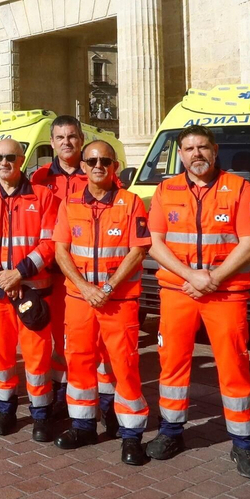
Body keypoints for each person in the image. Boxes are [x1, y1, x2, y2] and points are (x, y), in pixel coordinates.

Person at [147, 125, 250, 479]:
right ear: (180, 155)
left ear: (215, 151)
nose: (196, 154)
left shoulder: (240, 188)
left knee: (233, 366)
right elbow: (154, 243)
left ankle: (244, 446)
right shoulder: (165, 190)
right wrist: (191, 276)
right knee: (172, 366)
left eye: (202, 147)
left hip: (225, 293)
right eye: (188, 148)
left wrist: (211, 278)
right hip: (178, 292)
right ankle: (170, 433)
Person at [52, 140, 151, 459]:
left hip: (118, 300)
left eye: (105, 161)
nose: (98, 166)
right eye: (92, 160)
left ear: (115, 167)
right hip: (79, 300)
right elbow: (60, 250)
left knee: (124, 364)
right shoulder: (68, 205)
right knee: (79, 360)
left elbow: (138, 251)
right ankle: (82, 426)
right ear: (83, 167)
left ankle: (131, 432)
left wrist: (106, 288)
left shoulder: (131, 202)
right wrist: (85, 288)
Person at [0, 136, 60, 441]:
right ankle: (5, 411)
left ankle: (41, 415)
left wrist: (19, 273)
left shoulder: (43, 196)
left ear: (22, 160)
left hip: (33, 290)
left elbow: (50, 243)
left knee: (38, 357)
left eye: (10, 157)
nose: (3, 162)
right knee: (1, 356)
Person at [30, 115, 88, 410]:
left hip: (84, 272)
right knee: (53, 334)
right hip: (49, 272)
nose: (67, 142)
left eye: (72, 136)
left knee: (79, 337)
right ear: (51, 142)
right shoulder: (39, 179)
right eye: (60, 137)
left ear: (81, 139)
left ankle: (83, 393)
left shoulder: (96, 172)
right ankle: (57, 391)